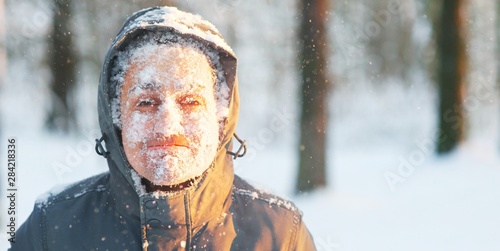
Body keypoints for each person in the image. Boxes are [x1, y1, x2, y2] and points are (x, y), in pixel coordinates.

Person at [11, 6, 316, 250]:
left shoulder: (279, 233)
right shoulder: (50, 230)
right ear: (115, 117)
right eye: (145, 102)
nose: (168, 125)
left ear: (221, 117)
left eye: (190, 102)